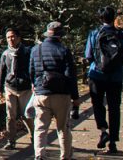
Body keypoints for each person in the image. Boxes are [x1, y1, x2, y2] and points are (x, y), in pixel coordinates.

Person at [84, 6, 123, 154]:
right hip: (115, 77)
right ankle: (113, 142)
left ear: (101, 18)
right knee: (114, 108)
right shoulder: (122, 35)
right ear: (114, 18)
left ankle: (103, 130)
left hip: (96, 75)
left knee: (98, 104)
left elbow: (88, 55)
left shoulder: (94, 34)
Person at [29, 21, 80, 160]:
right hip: (61, 94)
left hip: (41, 93)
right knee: (63, 128)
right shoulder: (64, 50)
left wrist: (35, 85)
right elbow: (71, 76)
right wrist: (75, 97)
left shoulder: (35, 50)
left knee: (40, 128)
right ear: (60, 36)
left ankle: (39, 155)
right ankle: (65, 156)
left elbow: (31, 71)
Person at [0, 27, 34, 150]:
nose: (10, 39)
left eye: (12, 36)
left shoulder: (27, 52)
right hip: (10, 87)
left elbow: (32, 69)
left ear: (18, 37)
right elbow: (2, 72)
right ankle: (11, 140)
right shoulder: (5, 54)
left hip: (25, 88)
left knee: (26, 115)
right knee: (10, 116)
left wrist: (33, 83)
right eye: (8, 37)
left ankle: (34, 135)